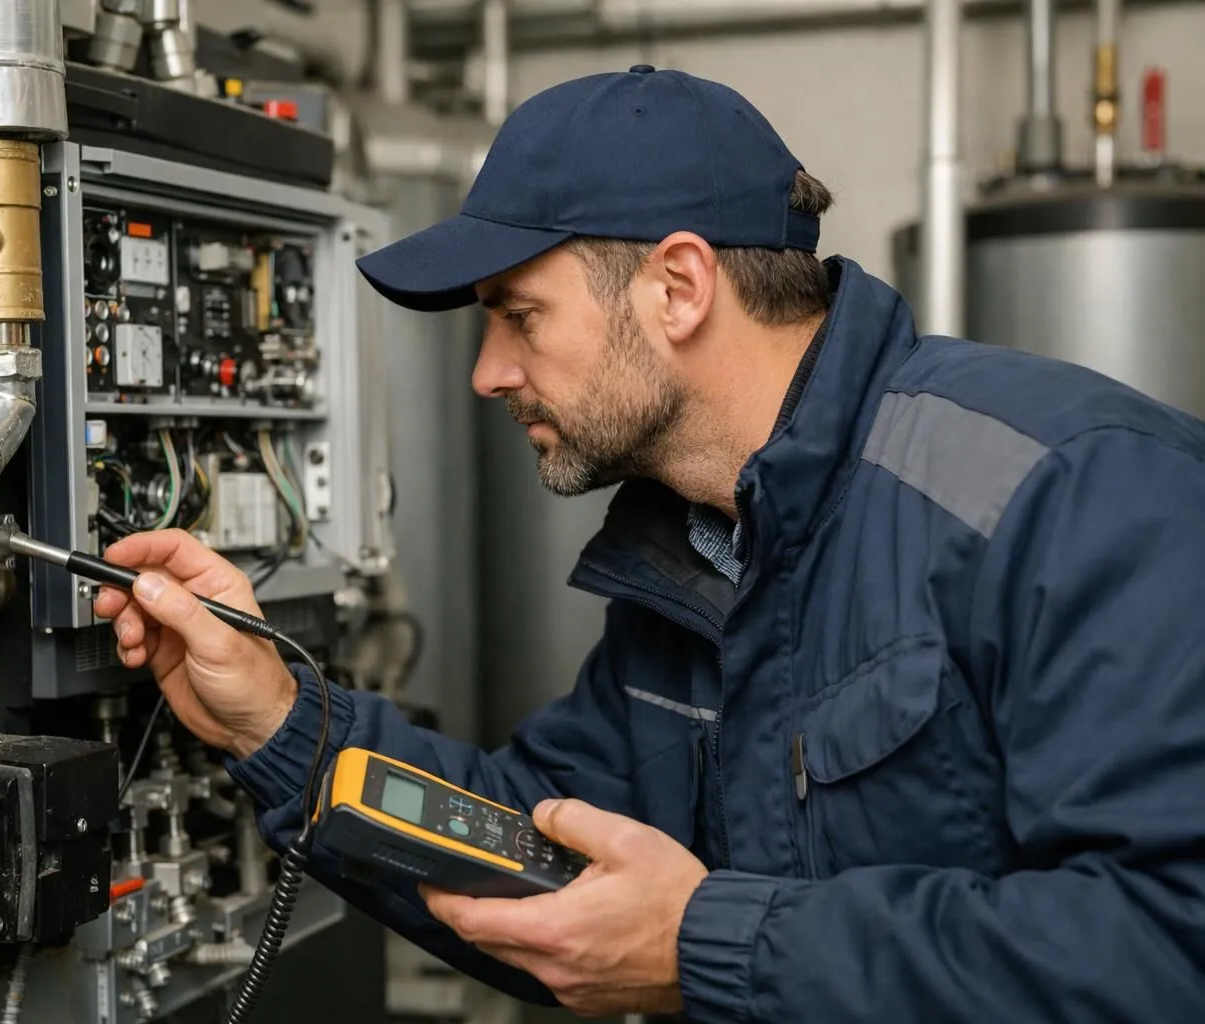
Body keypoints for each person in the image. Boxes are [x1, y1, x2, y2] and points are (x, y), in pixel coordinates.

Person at [93, 65, 1205, 1021]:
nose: (487, 372)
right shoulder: (692, 563)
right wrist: (280, 723)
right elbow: (542, 856)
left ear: (679, 286)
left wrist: (707, 944)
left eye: (518, 313)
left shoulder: (1074, 487)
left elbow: (1171, 941)